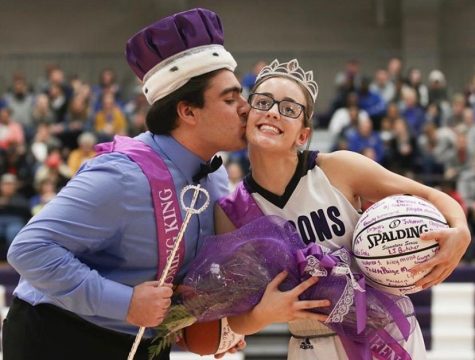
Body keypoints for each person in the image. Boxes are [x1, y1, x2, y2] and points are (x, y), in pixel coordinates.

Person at [3, 8, 250, 360]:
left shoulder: (215, 175)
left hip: (144, 341)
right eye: (230, 99)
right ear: (188, 112)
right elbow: (28, 249)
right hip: (59, 335)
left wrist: (212, 326)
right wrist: (126, 302)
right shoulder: (122, 175)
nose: (246, 108)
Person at [215, 59, 471, 359]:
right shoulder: (232, 210)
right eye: (264, 102)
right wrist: (263, 315)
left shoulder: (338, 168)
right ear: (247, 117)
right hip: (309, 343)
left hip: (385, 331)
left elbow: (428, 194)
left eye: (289, 108)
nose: (273, 111)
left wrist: (461, 229)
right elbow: (236, 317)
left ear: (303, 135)